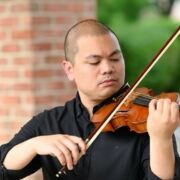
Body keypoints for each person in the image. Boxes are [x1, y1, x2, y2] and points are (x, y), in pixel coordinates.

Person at [0, 19, 180, 180]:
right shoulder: (48, 123)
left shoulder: (151, 122)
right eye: (95, 62)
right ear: (69, 69)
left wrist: (161, 139)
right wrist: (32, 145)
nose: (108, 68)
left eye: (115, 58)